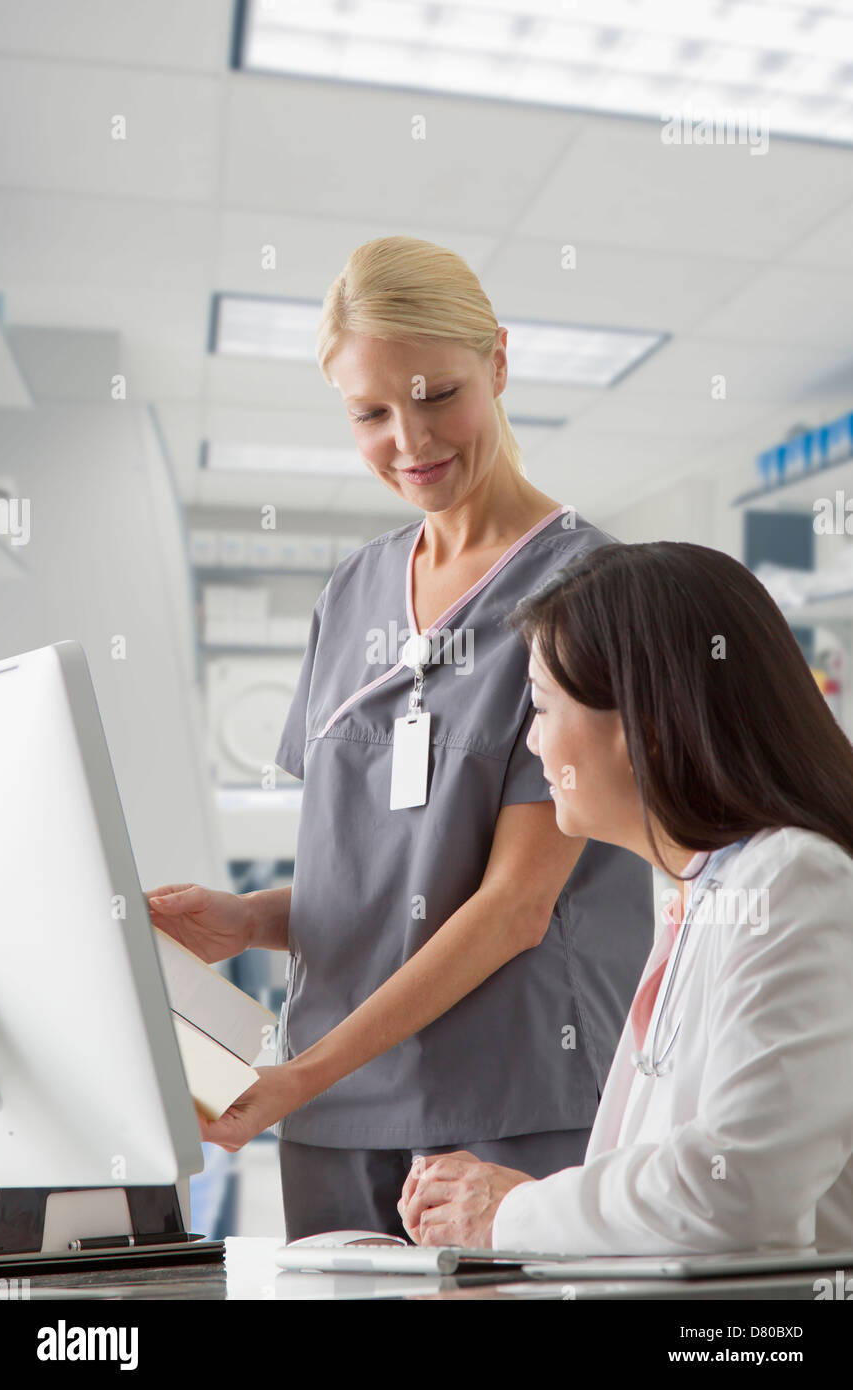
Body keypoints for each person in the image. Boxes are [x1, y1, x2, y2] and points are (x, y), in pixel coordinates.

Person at [147, 236, 653, 1240]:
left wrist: (301, 1073)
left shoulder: (591, 596)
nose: (408, 438)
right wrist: (249, 920)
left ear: (498, 364)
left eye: (436, 394)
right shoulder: (350, 595)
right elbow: (385, 877)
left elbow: (513, 904)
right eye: (369, 413)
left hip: (509, 1107)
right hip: (333, 1114)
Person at [399, 540, 853, 1254]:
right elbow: (661, 1187)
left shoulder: (795, 881)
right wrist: (510, 1204)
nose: (534, 743)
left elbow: (736, 1191)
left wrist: (512, 1211)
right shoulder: (702, 891)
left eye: (543, 709)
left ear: (645, 723)